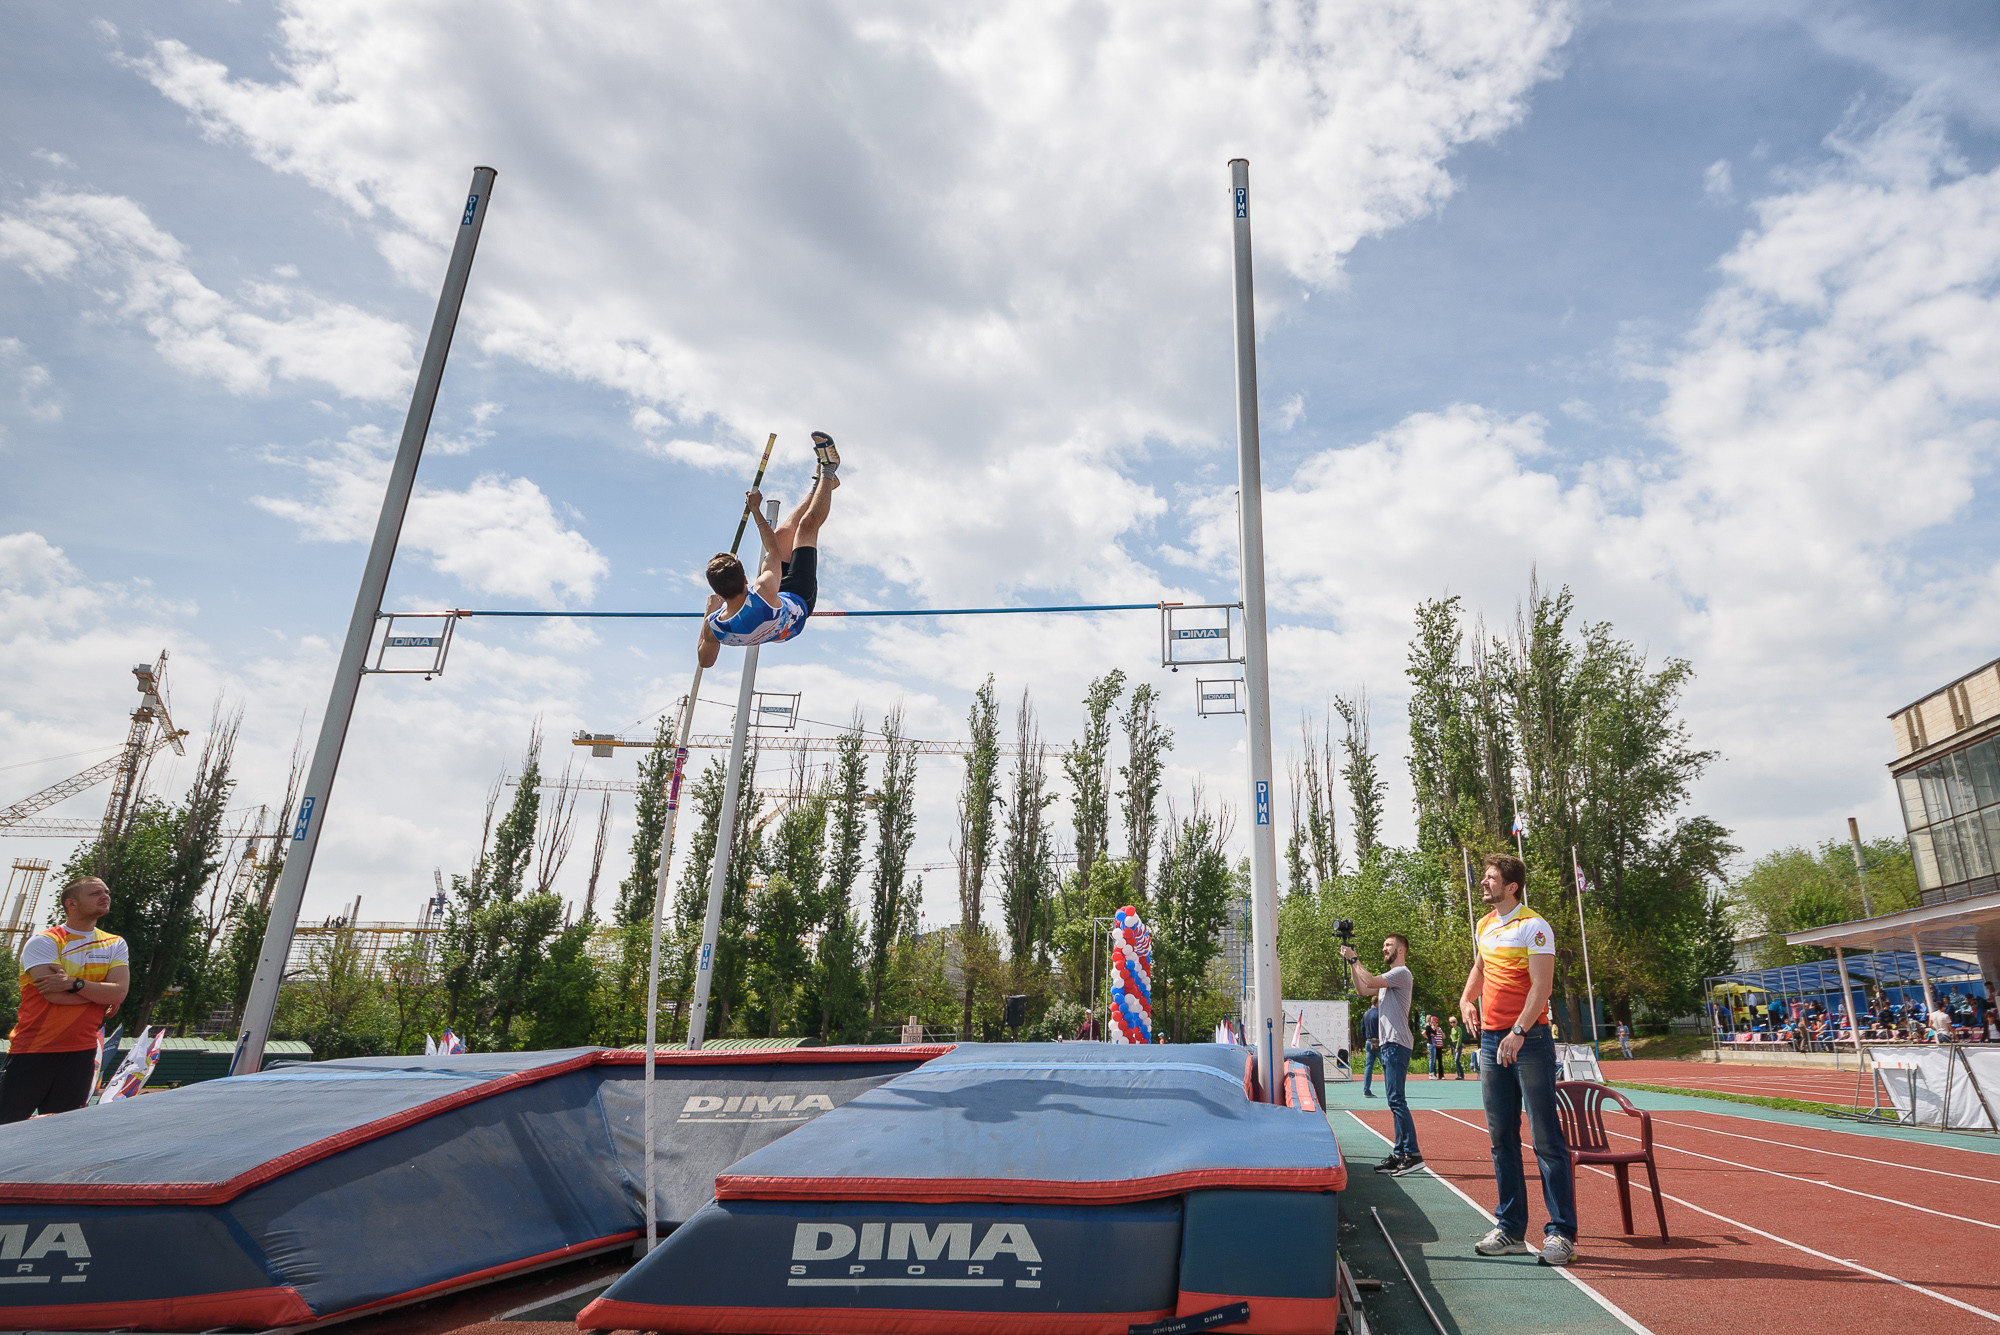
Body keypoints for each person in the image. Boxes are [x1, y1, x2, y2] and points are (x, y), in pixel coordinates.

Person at [1461, 854, 1578, 1267]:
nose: (1484, 883)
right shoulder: (1484, 925)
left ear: (1512, 886)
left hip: (1528, 1041)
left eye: (1491, 878)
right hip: (1492, 1043)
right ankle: (1510, 1229)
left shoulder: (1535, 926)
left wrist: (1519, 1031)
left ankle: (1562, 1233)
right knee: (1501, 1139)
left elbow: (1542, 987)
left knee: (1546, 1139)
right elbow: (1480, 967)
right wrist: (1465, 999)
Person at [697, 433, 840, 666]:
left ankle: (820, 486)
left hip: (775, 614)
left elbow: (705, 661)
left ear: (718, 590)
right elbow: (771, 549)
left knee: (784, 533)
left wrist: (708, 613)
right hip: (798, 606)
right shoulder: (762, 588)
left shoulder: (716, 626)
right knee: (806, 528)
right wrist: (755, 509)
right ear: (745, 579)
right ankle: (830, 467)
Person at [0, 876, 129, 1123]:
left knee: (62, 1132)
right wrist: (101, 995)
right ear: (71, 903)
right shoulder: (45, 941)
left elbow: (119, 992)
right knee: (7, 1128)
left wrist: (74, 983)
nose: (105, 897)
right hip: (34, 1049)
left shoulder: (115, 943)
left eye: (106, 892)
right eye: (94, 894)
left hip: (81, 1053)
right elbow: (54, 996)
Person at [1344, 933, 1424, 1176]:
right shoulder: (1390, 979)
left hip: (1397, 1044)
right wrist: (1351, 964)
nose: (1384, 949)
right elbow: (1362, 987)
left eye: (1388, 945)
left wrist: (1355, 958)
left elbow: (1368, 978)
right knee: (1393, 1099)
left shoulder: (1401, 973)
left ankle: (1413, 1154)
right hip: (1390, 1045)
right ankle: (1400, 1152)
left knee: (1397, 1100)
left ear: (1401, 950)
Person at [1361, 1001, 1381, 1098]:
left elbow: (1362, 1029)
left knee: (1368, 1067)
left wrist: (1366, 1039)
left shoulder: (1366, 1013)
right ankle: (1392, 1090)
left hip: (1369, 1041)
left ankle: (1366, 1090)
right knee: (1386, 1066)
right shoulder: (1379, 1013)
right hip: (1378, 1042)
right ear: (1377, 1003)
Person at [1448, 1014, 1469, 1079]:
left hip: (1458, 1044)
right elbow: (1451, 1035)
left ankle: (1461, 1075)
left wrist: (1457, 1047)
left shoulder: (1458, 1029)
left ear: (1456, 1022)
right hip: (1453, 1044)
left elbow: (1459, 1038)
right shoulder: (1452, 1029)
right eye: (1451, 1022)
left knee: (1457, 1060)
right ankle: (1458, 1074)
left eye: (1453, 1022)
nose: (1452, 1023)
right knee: (1455, 1060)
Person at [1425, 1015, 1446, 1080]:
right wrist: (1428, 1038)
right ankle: (1433, 1074)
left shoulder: (1439, 1029)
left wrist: (1440, 1032)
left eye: (1437, 1023)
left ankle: (1440, 1075)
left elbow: (1444, 1037)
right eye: (1434, 1022)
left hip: (1438, 1046)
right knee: (1432, 1060)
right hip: (1433, 1045)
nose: (1435, 1024)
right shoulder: (1429, 1028)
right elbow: (1424, 1033)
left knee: (1439, 1061)